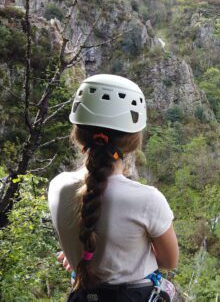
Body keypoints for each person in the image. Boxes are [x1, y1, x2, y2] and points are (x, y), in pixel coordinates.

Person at [48, 74, 179, 302]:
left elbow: (85, 244)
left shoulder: (58, 187)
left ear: (79, 135)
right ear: (133, 140)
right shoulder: (147, 200)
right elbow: (169, 261)